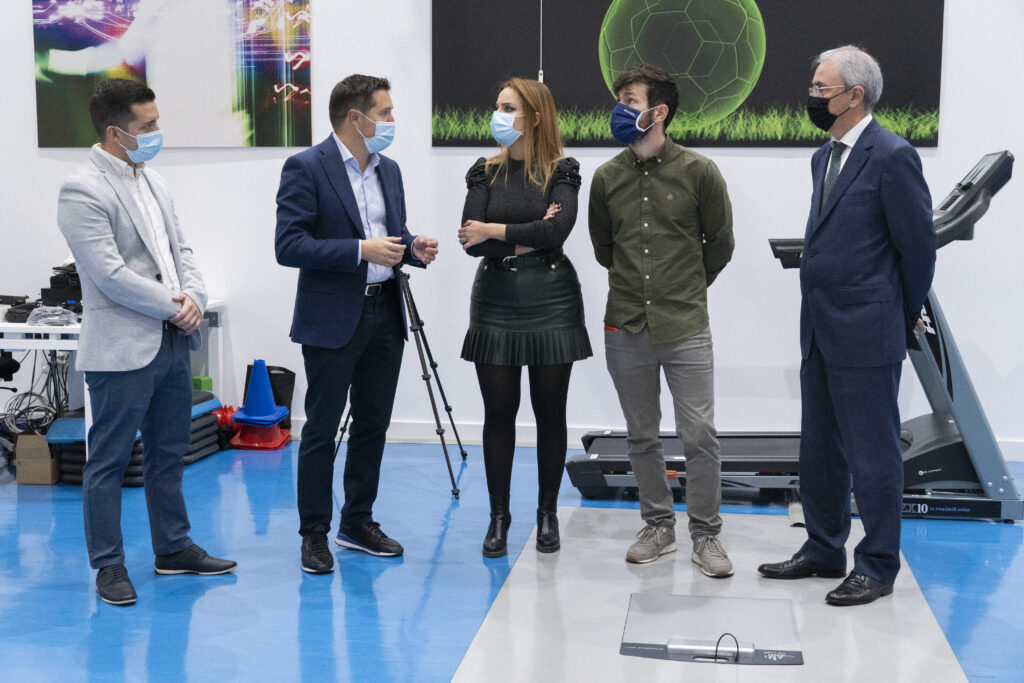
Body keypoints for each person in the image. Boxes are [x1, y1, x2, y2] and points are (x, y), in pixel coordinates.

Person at [757, 46, 936, 606]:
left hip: (867, 330)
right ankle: (823, 547)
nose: (812, 97)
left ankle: (877, 565)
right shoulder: (824, 157)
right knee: (820, 449)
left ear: (854, 95)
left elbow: (918, 250)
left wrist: (897, 316)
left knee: (874, 454)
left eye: (821, 89)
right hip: (819, 328)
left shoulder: (893, 156)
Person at [57, 78, 236, 607]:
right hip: (122, 349)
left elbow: (182, 252)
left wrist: (196, 298)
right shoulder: (81, 189)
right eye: (148, 125)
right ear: (116, 133)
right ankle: (108, 564)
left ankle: (173, 548)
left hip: (172, 343)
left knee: (169, 454)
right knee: (108, 462)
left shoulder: (154, 182)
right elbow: (108, 274)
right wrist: (174, 306)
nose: (158, 132)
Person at [275, 74, 439, 574]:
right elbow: (289, 245)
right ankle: (314, 533)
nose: (392, 121)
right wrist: (358, 250)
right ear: (356, 117)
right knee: (321, 429)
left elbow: (392, 235)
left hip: (385, 312)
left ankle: (357, 522)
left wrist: (412, 247)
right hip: (332, 318)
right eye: (384, 113)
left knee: (373, 424)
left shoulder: (389, 170)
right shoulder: (306, 167)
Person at [588, 64, 735, 576]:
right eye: (619, 99)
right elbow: (604, 249)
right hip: (625, 324)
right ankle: (658, 526)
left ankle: (706, 535)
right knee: (641, 435)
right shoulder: (606, 178)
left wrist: (683, 289)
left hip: (685, 325)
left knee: (699, 435)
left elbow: (720, 245)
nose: (620, 108)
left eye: (630, 100)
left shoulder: (700, 172)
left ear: (659, 111)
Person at [458, 77, 591, 558]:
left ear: (534, 117)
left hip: (551, 297)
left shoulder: (562, 170)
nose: (498, 115)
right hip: (494, 298)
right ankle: (499, 517)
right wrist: (526, 235)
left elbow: (558, 232)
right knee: (499, 413)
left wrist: (494, 229)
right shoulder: (483, 171)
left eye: (508, 107)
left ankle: (547, 512)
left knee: (550, 412)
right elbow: (470, 241)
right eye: (497, 106)